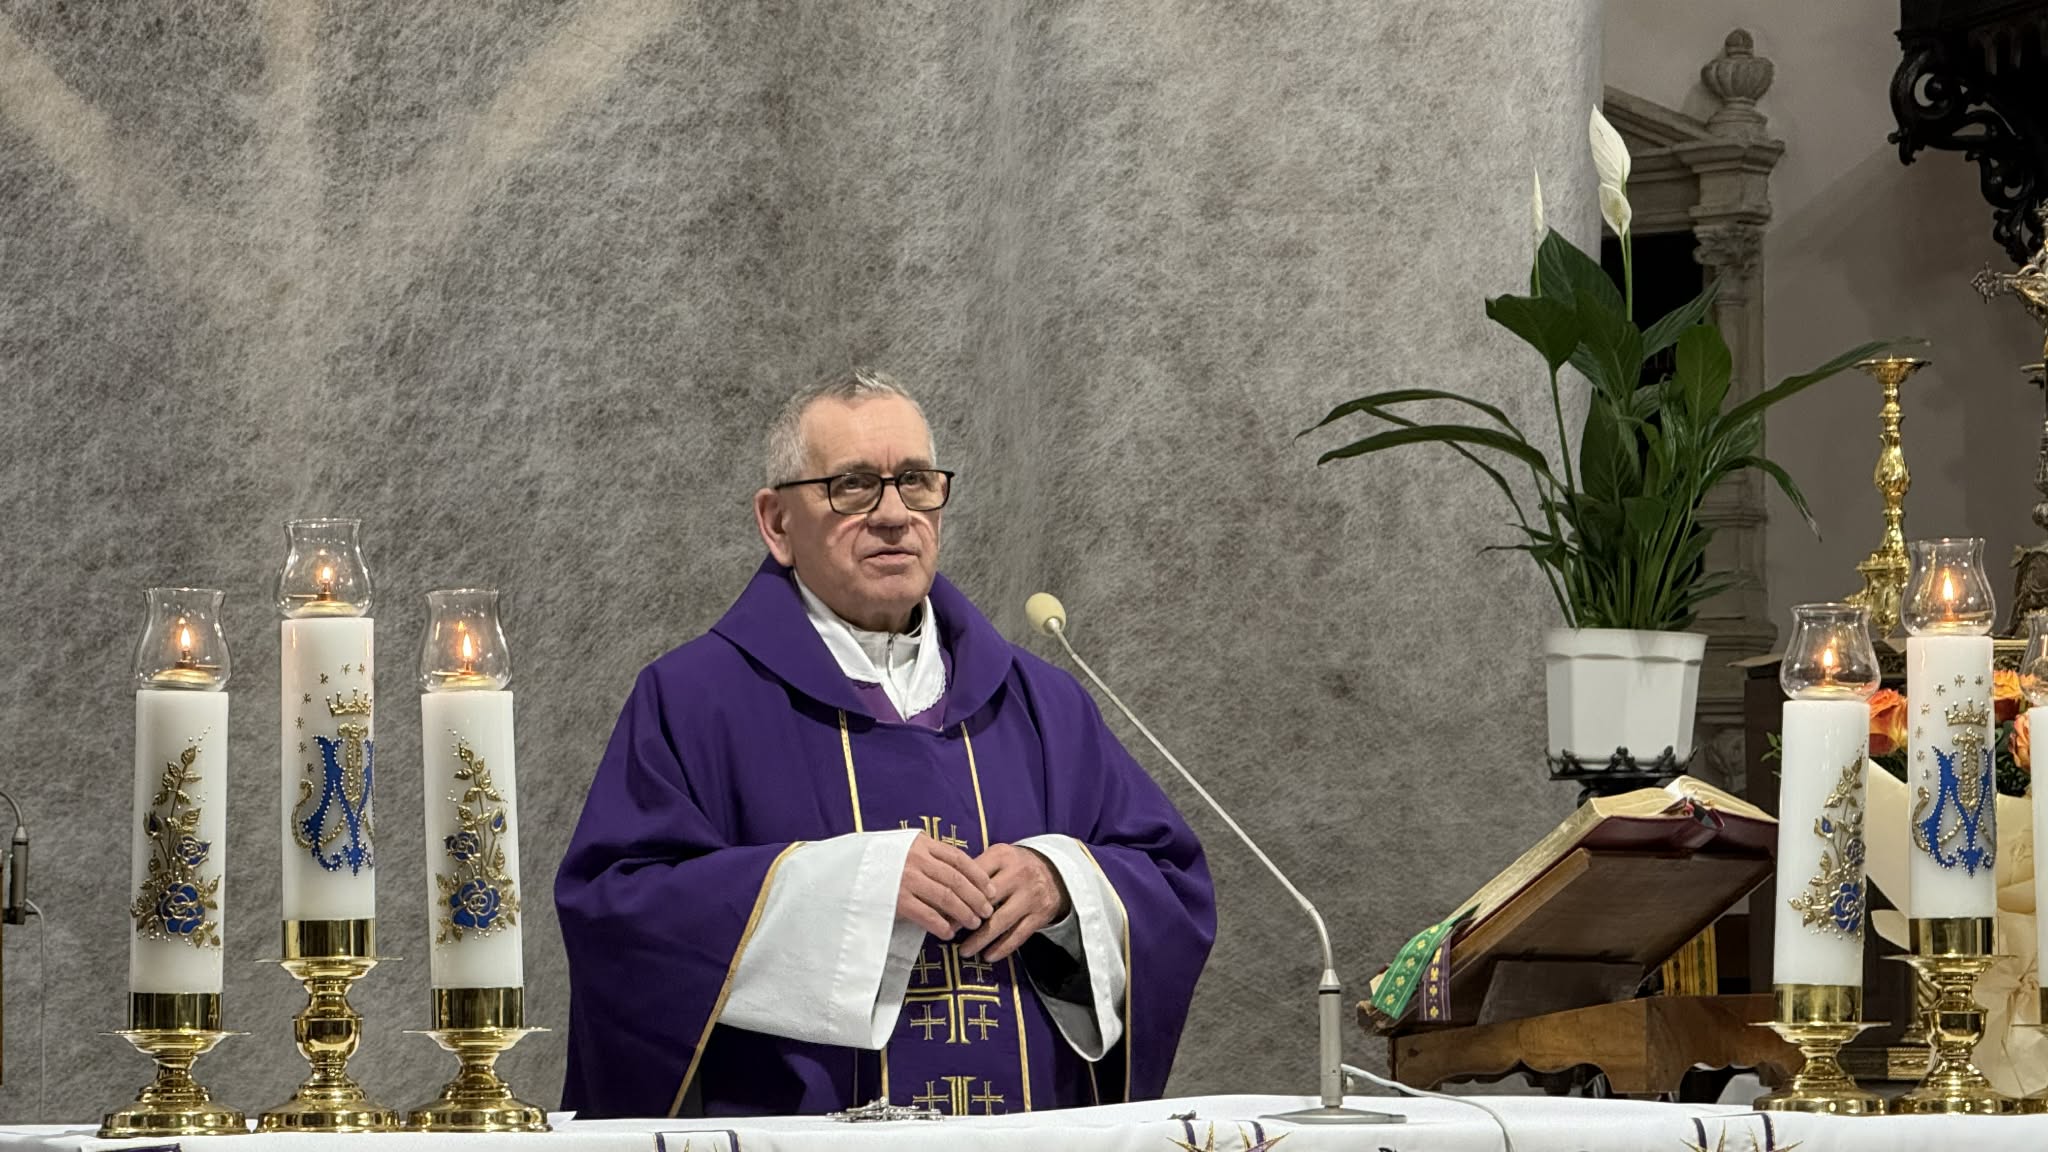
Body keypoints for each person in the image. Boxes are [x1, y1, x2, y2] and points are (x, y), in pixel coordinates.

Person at [555, 369, 1215, 1119]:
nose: (895, 515)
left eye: (916, 482)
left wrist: (1064, 884)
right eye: (854, 486)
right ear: (777, 524)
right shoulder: (695, 700)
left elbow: (1171, 883)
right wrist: (853, 889)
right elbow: (616, 915)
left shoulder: (1042, 704)